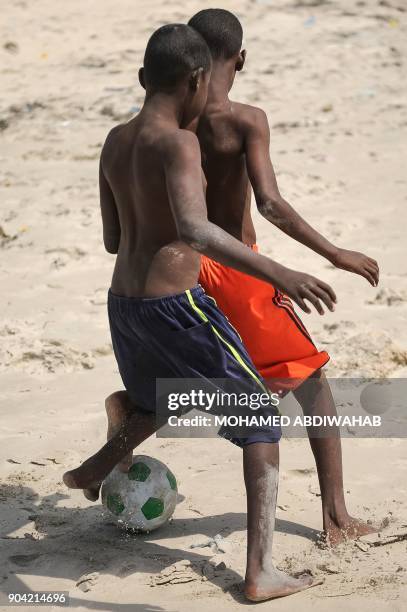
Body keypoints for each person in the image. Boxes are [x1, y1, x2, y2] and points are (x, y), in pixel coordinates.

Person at [63, 23, 337, 601]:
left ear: (142, 79)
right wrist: (279, 272)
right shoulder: (180, 145)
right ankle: (260, 573)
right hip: (174, 305)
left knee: (162, 396)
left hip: (123, 305)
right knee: (261, 421)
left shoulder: (114, 139)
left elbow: (114, 239)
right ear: (196, 79)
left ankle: (98, 464)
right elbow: (195, 229)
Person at [187, 8, 379, 547]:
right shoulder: (246, 119)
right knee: (311, 382)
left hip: (181, 267)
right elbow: (269, 203)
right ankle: (338, 519)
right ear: (240, 59)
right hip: (239, 269)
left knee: (199, 379)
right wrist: (334, 252)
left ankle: (109, 447)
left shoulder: (174, 120)